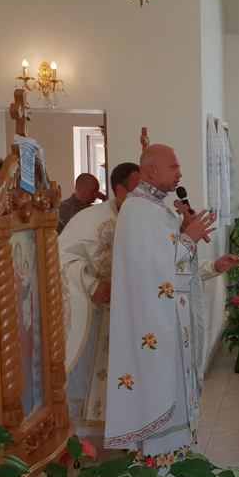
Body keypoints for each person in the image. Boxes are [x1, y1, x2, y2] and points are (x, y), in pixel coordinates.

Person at [105, 144, 239, 476]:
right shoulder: (138, 210)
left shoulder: (158, 208)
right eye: (174, 167)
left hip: (171, 324)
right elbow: (152, 269)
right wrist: (189, 237)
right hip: (155, 327)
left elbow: (173, 266)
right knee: (161, 392)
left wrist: (210, 263)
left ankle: (177, 468)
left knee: (176, 392)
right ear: (151, 170)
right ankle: (160, 475)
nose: (180, 174)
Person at [60, 161, 142, 445]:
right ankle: (84, 439)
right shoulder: (88, 219)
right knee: (88, 371)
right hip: (93, 313)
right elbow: (58, 258)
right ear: (120, 191)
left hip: (133, 314)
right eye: (139, 191)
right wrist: (92, 285)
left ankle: (128, 432)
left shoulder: (149, 219)